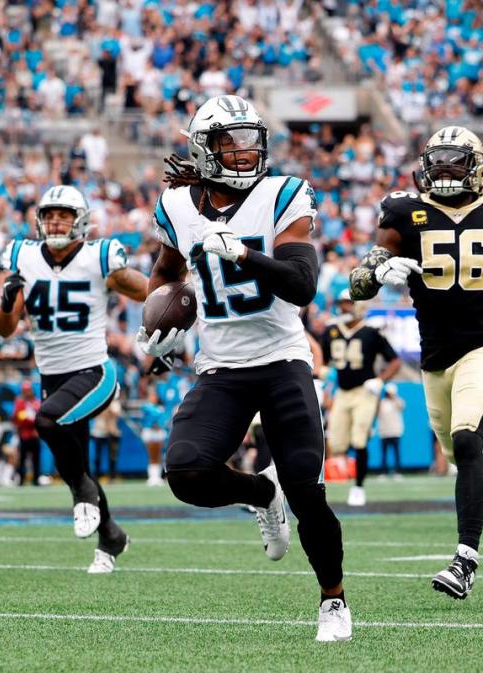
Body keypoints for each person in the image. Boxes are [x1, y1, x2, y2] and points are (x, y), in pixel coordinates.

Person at [137, 95, 351, 641]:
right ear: (205, 150)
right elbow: (165, 275)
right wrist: (161, 325)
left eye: (250, 138)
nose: (244, 151)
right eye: (229, 142)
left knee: (307, 488)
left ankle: (333, 599)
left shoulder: (283, 193)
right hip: (221, 366)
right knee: (185, 473)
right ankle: (261, 494)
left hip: (282, 359)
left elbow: (302, 285)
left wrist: (242, 254)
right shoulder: (178, 206)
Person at [350, 125, 483, 600]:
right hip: (435, 355)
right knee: (465, 453)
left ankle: (465, 560)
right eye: (439, 160)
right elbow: (356, 282)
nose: (445, 170)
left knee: (469, 442)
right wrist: (375, 273)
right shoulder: (404, 211)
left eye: (455, 161)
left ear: (477, 166)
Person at [0, 184, 149, 573]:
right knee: (75, 460)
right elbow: (4, 330)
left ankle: (84, 495)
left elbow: (151, 293)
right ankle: (110, 536)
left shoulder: (100, 258)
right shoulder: (23, 257)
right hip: (52, 375)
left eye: (63, 214)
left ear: (79, 220)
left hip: (94, 372)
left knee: (46, 420)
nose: (55, 221)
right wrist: (6, 301)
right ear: (39, 221)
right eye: (49, 215)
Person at [321, 290, 401, 506]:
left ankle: (358, 487)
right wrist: (323, 378)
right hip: (342, 392)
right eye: (342, 304)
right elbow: (323, 360)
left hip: (364, 391)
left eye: (348, 303)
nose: (344, 308)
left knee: (359, 438)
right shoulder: (331, 330)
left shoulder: (371, 332)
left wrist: (380, 380)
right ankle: (333, 479)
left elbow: (395, 362)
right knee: (336, 442)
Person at [11, 380, 41, 486]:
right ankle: (21, 480)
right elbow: (16, 418)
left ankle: (36, 479)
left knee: (36, 458)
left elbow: (40, 418)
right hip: (24, 434)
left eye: (28, 390)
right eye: (25, 391)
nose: (27, 393)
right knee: (22, 458)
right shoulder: (20, 402)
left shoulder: (36, 402)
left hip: (35, 434)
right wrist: (26, 419)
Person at [377, 383, 405, 479]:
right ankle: (383, 472)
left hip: (395, 431)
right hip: (384, 432)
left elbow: (402, 406)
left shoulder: (398, 401)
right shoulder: (381, 402)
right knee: (384, 454)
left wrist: (395, 398)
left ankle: (398, 471)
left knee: (396, 453)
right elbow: (377, 413)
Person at [90, 397, 121, 482]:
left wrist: (107, 408)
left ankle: (112, 476)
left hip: (112, 431)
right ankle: (97, 475)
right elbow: (95, 414)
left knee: (112, 456)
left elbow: (116, 414)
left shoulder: (114, 403)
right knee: (97, 456)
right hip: (99, 431)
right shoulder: (97, 401)